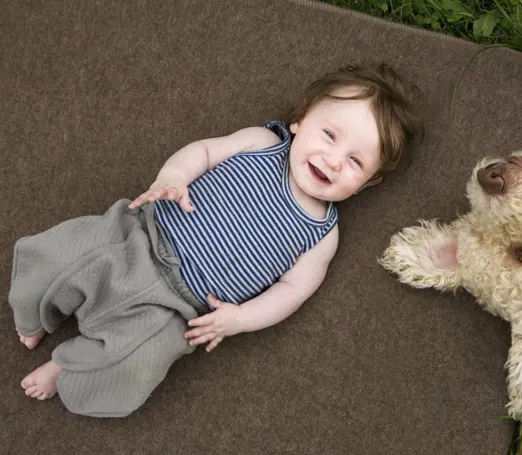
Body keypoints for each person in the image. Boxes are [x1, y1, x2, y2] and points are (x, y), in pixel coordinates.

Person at [9, 64, 423, 417]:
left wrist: (240, 319)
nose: (333, 160)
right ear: (300, 120)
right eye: (330, 136)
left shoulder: (322, 235)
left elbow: (292, 292)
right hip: (138, 236)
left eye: (355, 162)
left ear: (367, 184)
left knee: (135, 362)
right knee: (62, 254)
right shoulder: (263, 144)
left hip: (178, 310)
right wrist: (172, 177)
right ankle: (35, 311)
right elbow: (204, 152)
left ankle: (69, 366)